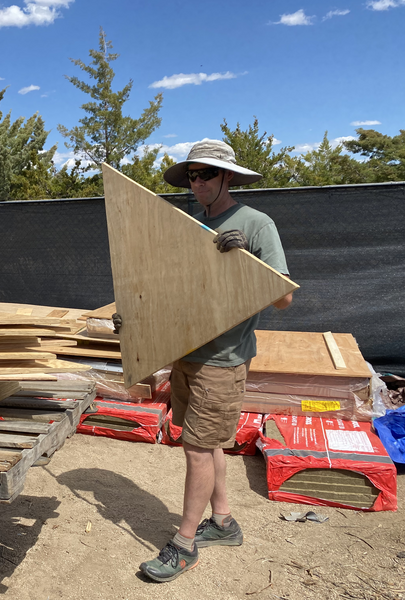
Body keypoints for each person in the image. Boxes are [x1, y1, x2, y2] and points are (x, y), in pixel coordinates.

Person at [114, 139, 294, 583]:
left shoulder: (256, 224)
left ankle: (185, 543)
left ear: (227, 177)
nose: (196, 183)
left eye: (205, 175)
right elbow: (172, 291)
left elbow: (285, 297)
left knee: (196, 448)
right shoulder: (190, 223)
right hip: (186, 353)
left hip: (223, 360)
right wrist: (132, 318)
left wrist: (245, 262)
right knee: (207, 442)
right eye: (192, 175)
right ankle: (224, 522)